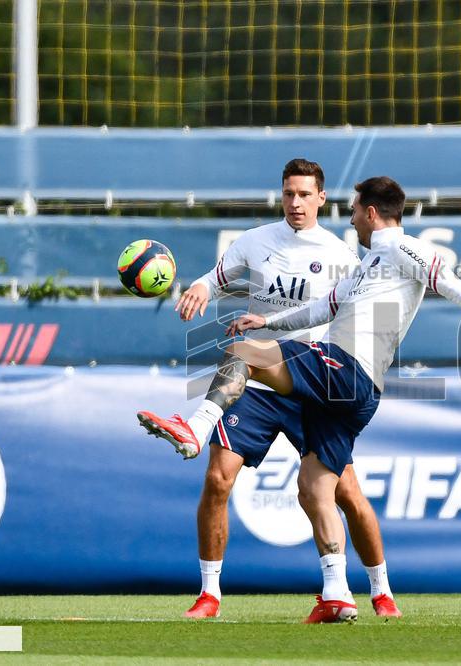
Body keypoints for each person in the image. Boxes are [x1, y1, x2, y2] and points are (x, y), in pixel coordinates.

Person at [169, 175, 461, 623]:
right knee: (314, 490)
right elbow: (322, 310)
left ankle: (193, 431)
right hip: (357, 393)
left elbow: (450, 284)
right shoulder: (366, 265)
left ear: (371, 213)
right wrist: (266, 323)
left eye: (354, 210)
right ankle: (338, 595)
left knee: (241, 354)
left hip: (344, 366)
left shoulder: (403, 248)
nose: (351, 219)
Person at [137, 160, 402, 620]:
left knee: (346, 494)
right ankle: (209, 595)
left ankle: (381, 591)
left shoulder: (343, 256)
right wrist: (200, 286)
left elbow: (352, 316)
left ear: (322, 198)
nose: (295, 203)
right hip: (257, 381)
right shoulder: (257, 241)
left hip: (312, 381)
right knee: (218, 479)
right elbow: (218, 276)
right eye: (288, 194)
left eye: (304, 194)